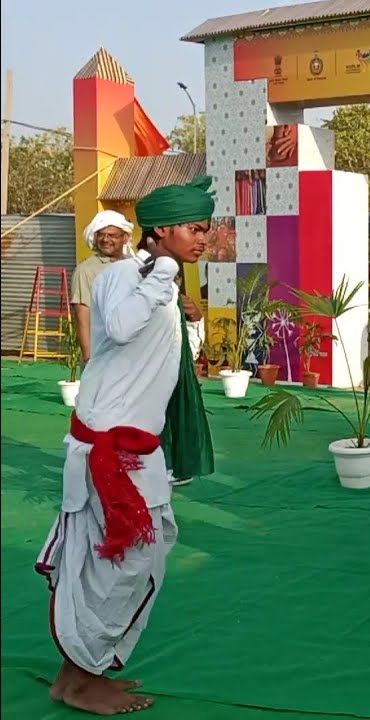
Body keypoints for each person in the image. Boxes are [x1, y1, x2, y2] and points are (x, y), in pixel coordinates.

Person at [35, 178, 211, 714]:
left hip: (128, 447)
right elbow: (119, 324)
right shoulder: (122, 277)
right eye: (194, 228)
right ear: (161, 231)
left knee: (122, 559)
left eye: (205, 228)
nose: (202, 237)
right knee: (127, 560)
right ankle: (84, 678)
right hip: (114, 452)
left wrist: (168, 281)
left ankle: (77, 673)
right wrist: (164, 273)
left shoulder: (149, 279)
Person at [135, 232, 212, 489]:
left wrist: (195, 318)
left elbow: (186, 346)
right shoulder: (132, 275)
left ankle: (169, 465)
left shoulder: (173, 287)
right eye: (193, 230)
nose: (201, 240)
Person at [71, 211, 133, 363]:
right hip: (101, 353)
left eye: (112, 235)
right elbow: (82, 316)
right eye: (101, 235)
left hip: (132, 352)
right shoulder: (86, 270)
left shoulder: (134, 266)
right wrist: (88, 357)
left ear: (124, 238)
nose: (106, 239)